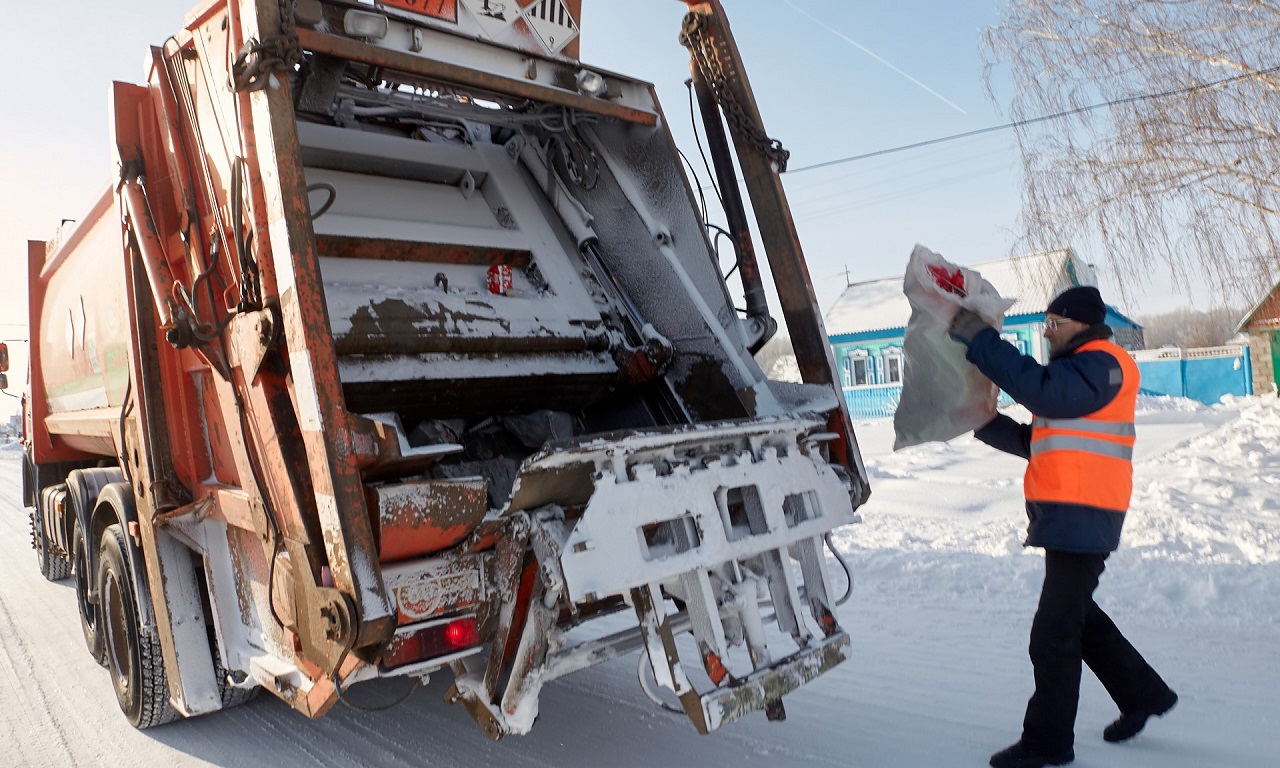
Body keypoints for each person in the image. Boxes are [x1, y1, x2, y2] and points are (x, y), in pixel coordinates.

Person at [948, 286, 1178, 768]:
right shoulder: (1079, 373)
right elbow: (1039, 441)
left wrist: (980, 341)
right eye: (1045, 324)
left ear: (1082, 324)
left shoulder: (1104, 364)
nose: (1047, 333)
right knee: (1077, 618)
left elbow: (1042, 391)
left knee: (1052, 633)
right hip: (1071, 515)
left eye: (1055, 323)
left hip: (1086, 513)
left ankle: (1048, 742)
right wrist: (985, 424)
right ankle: (1143, 694)